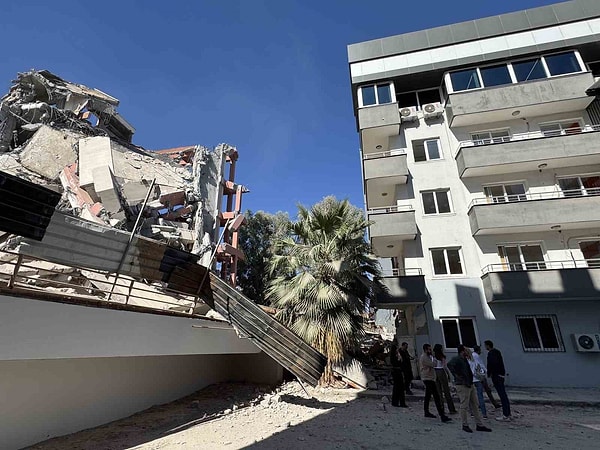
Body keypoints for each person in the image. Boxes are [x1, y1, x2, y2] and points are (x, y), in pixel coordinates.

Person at [447, 345, 492, 433]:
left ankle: (479, 424)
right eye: (465, 350)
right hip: (462, 385)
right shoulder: (457, 359)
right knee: (464, 405)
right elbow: (449, 365)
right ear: (462, 351)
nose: (467, 351)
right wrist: (457, 376)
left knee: (475, 404)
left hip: (469, 384)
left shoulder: (464, 359)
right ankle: (465, 425)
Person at [419, 343, 451, 423]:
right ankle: (442, 415)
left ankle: (426, 411)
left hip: (429, 377)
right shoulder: (424, 357)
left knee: (428, 396)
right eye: (429, 349)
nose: (430, 351)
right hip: (428, 378)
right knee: (436, 396)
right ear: (426, 350)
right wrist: (434, 358)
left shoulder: (428, 356)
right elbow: (434, 364)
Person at [484, 340, 512, 421]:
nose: (485, 347)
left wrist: (489, 374)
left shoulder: (491, 353)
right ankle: (508, 413)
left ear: (488, 346)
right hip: (500, 375)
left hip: (496, 376)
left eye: (485, 345)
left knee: (502, 395)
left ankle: (506, 415)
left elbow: (491, 364)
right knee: (503, 395)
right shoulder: (497, 352)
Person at [473, 345, 501, 409]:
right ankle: (491, 404)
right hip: (480, 376)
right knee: (485, 391)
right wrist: (487, 372)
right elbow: (481, 365)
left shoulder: (473, 355)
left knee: (481, 391)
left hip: (476, 376)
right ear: (478, 350)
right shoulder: (476, 356)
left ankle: (482, 404)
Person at [432, 344, 457, 414]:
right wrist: (448, 374)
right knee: (446, 391)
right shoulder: (442, 356)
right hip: (441, 371)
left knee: (438, 392)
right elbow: (444, 366)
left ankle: (441, 408)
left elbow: (433, 365)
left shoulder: (433, 356)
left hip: (435, 372)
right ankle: (451, 408)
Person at [466, 347, 487, 419]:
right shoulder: (475, 359)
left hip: (470, 380)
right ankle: (484, 414)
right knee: (480, 396)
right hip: (477, 379)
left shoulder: (466, 361)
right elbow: (480, 367)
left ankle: (472, 413)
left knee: (470, 397)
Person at [389, 338, 408, 407]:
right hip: (397, 371)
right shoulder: (395, 354)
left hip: (397, 371)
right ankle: (400, 402)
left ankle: (396, 402)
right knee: (399, 387)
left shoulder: (397, 352)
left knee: (397, 387)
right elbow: (397, 362)